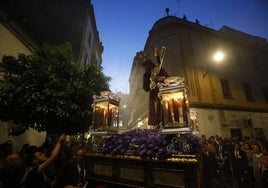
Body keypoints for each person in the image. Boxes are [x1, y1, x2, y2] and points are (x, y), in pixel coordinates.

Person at [141, 47, 168, 128]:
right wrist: (150, 85)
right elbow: (145, 87)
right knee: (155, 110)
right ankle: (157, 125)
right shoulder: (146, 75)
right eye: (145, 68)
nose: (145, 69)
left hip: (162, 92)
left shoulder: (158, 69)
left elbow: (166, 77)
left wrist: (161, 79)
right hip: (153, 94)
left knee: (163, 110)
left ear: (150, 66)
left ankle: (163, 124)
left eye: (147, 67)